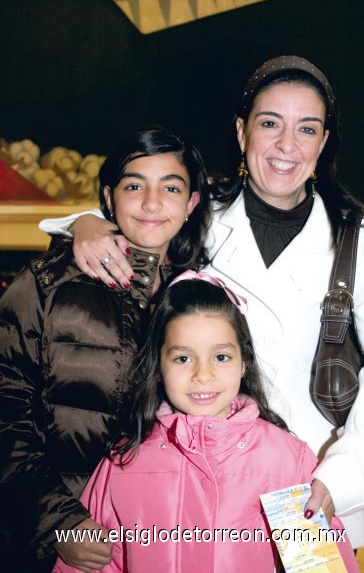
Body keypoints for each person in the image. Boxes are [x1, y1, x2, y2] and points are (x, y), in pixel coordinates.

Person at [39, 55, 364, 549]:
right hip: (193, 484)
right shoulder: (198, 211)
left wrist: (344, 477)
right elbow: (142, 209)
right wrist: (84, 223)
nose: (286, 146)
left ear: (325, 141)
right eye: (269, 123)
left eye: (307, 129)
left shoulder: (361, 239)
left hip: (304, 489)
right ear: (241, 130)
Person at [0, 126, 211, 572]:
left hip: (160, 540)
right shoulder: (45, 285)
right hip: (54, 543)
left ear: (192, 203)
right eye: (135, 186)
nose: (152, 203)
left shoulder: (203, 298)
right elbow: (6, 413)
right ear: (109, 197)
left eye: (170, 188)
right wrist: (57, 521)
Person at [52, 274, 359, 573]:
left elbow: (316, 565)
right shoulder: (124, 460)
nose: (203, 374)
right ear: (158, 367)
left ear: (243, 363)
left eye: (221, 357)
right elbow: (90, 559)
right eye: (183, 358)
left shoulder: (284, 460)